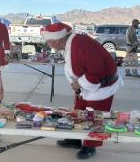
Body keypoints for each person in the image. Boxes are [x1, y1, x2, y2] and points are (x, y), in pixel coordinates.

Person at [43, 22, 123, 159]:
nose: (48, 44)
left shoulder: (80, 45)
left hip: (102, 85)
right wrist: (78, 83)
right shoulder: (70, 43)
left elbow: (96, 72)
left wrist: (79, 83)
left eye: (48, 41)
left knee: (95, 116)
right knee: (78, 111)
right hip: (87, 83)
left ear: (57, 40)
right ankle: (75, 139)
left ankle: (90, 146)